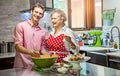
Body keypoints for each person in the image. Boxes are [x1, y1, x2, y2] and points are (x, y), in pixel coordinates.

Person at [13, 3, 48, 69]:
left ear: (42, 16)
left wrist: (50, 56)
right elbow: (17, 46)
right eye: (36, 12)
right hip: (22, 65)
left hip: (36, 65)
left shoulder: (43, 31)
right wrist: (30, 52)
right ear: (31, 12)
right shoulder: (20, 26)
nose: (38, 15)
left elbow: (42, 48)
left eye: (40, 13)